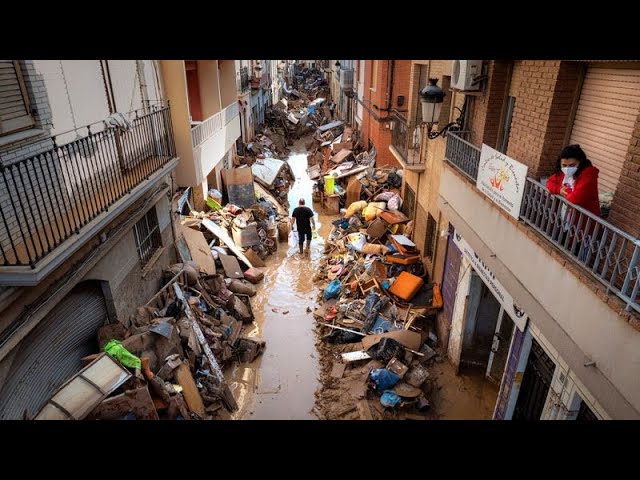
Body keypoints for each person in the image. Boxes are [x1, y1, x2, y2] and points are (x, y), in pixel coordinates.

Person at [546, 144, 601, 257]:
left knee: (575, 256)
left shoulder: (588, 174)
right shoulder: (563, 173)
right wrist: (559, 189)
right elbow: (550, 182)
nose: (567, 168)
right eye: (564, 165)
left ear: (580, 162)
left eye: (572, 165)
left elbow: (576, 198)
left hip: (582, 226)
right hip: (564, 221)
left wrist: (566, 191)